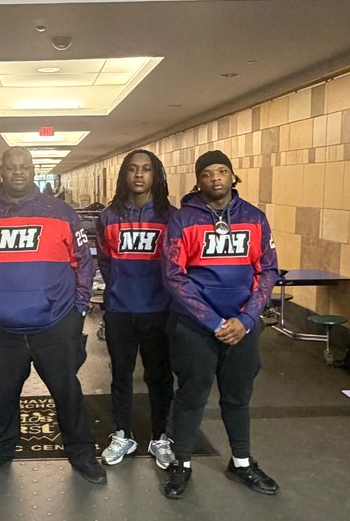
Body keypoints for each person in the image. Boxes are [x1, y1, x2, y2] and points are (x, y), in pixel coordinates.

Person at [0, 147, 106, 484]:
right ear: (1, 172)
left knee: (68, 392)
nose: (19, 173)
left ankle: (82, 452)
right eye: (12, 168)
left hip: (54, 325)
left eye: (25, 167)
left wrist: (79, 308)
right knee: (1, 395)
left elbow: (84, 262)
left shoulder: (61, 213)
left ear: (33, 170)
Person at [161, 150, 279, 499]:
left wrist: (245, 320)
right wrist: (213, 322)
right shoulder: (182, 220)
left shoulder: (255, 218)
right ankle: (181, 463)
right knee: (191, 396)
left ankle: (241, 462)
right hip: (196, 327)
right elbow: (173, 276)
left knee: (238, 397)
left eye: (222, 171)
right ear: (198, 181)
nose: (215, 179)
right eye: (208, 173)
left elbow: (268, 270)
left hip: (242, 325)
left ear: (233, 177)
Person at [96, 150, 176, 469]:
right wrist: (117, 289)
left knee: (159, 377)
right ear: (124, 176)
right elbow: (104, 260)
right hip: (120, 309)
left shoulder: (171, 216)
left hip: (159, 310)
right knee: (121, 375)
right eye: (132, 169)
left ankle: (160, 436)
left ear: (155, 175)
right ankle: (122, 434)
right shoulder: (108, 217)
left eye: (145, 169)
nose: (138, 175)